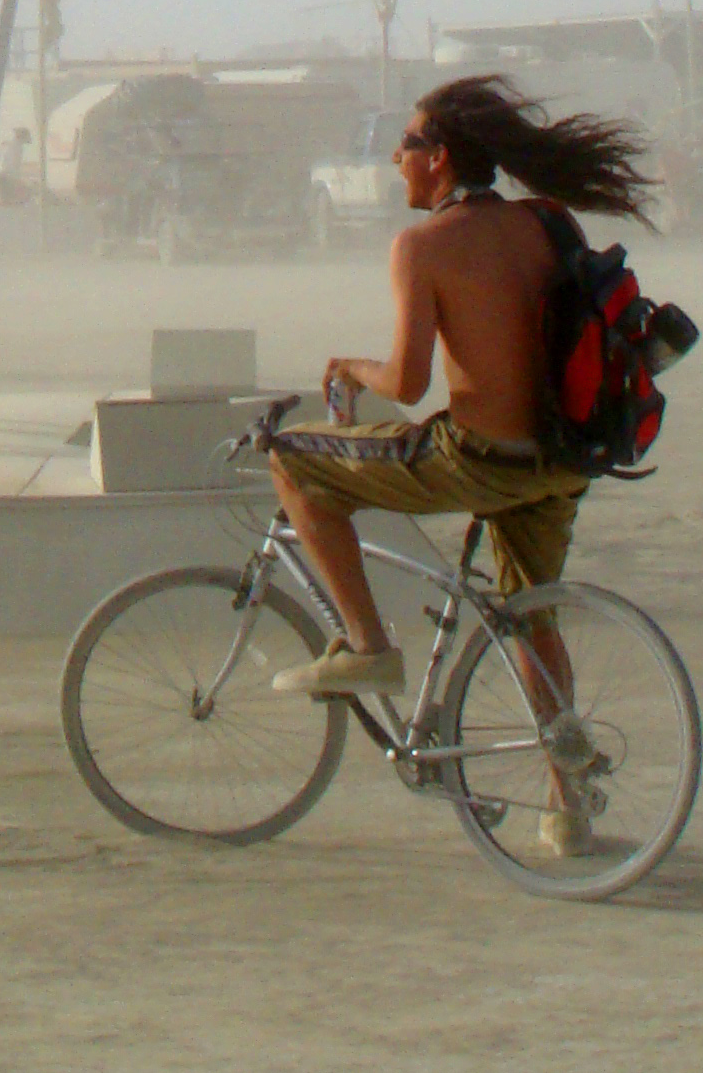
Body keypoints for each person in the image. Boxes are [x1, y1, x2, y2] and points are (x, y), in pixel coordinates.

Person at [266, 71, 658, 826]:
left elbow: (408, 386)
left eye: (406, 145)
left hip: (477, 457)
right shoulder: (549, 224)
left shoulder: (423, 246)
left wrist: (349, 368)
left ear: (439, 157)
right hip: (563, 461)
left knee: (291, 458)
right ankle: (564, 810)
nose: (395, 161)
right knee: (530, 618)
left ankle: (366, 644)